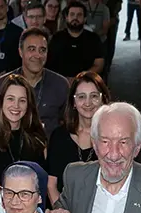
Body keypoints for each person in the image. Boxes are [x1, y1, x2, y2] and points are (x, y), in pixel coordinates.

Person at [0, 28, 67, 138]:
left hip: (50, 145)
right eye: (31, 49)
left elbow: (67, 124)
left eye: (42, 50)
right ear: (20, 52)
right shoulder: (2, 84)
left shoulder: (61, 85)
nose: (37, 55)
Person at [46, 71, 110, 201]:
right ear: (73, 102)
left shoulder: (113, 138)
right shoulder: (59, 136)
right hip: (63, 209)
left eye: (94, 96)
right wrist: (61, 211)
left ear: (103, 100)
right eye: (81, 97)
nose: (88, 103)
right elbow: (51, 185)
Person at [0, 74, 47, 185]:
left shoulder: (38, 138)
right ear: (1, 101)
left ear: (28, 105)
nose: (16, 106)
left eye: (22, 100)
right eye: (10, 99)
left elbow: (43, 183)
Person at [47, 2, 104, 79]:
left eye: (79, 15)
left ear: (85, 19)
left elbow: (99, 65)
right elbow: (49, 64)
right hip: (60, 81)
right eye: (72, 14)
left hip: (86, 81)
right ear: (67, 17)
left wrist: (79, 79)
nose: (75, 18)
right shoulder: (56, 38)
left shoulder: (94, 39)